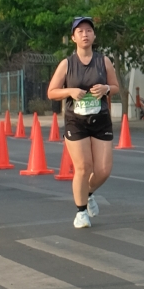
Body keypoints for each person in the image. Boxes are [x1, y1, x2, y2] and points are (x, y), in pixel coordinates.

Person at [47, 17, 118, 228]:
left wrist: (106, 89)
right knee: (83, 167)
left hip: (101, 119)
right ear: (73, 38)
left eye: (88, 31)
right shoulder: (67, 64)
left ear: (94, 36)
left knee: (103, 170)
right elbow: (51, 92)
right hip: (76, 121)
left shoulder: (104, 61)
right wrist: (70, 91)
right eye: (80, 31)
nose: (85, 34)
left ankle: (87, 193)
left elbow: (115, 87)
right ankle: (80, 212)